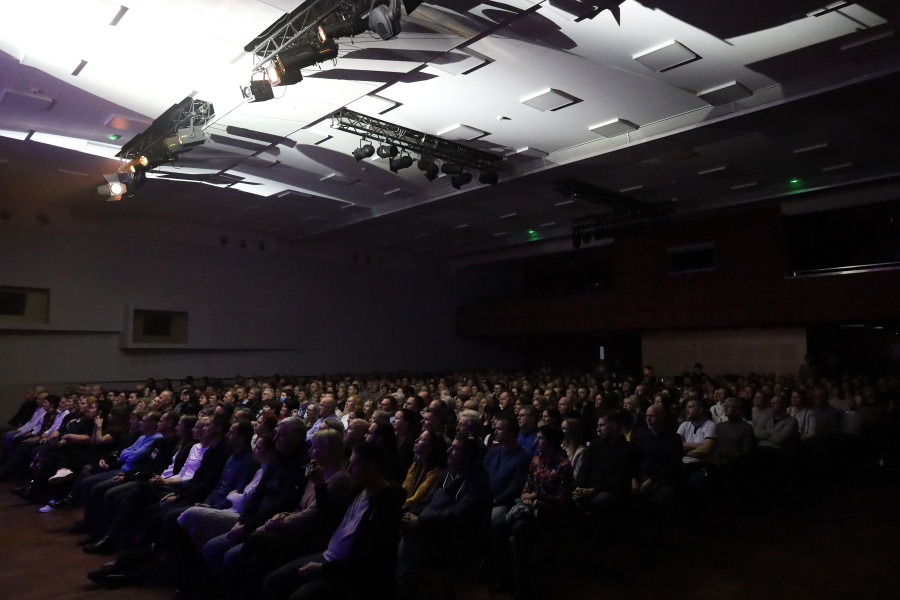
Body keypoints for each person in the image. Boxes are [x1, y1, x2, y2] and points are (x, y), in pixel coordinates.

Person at [262, 441, 405, 600]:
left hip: (347, 571)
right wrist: (319, 485)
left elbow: (370, 556)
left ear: (372, 468)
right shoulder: (357, 489)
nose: (349, 470)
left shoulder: (385, 501)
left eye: (354, 465)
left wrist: (323, 568)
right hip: (328, 554)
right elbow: (328, 515)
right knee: (271, 580)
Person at [401, 429, 448, 511]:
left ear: (430, 448)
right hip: (406, 506)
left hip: (418, 511)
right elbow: (404, 488)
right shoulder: (415, 465)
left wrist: (397, 504)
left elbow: (417, 498)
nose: (416, 440)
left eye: (421, 439)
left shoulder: (436, 473)